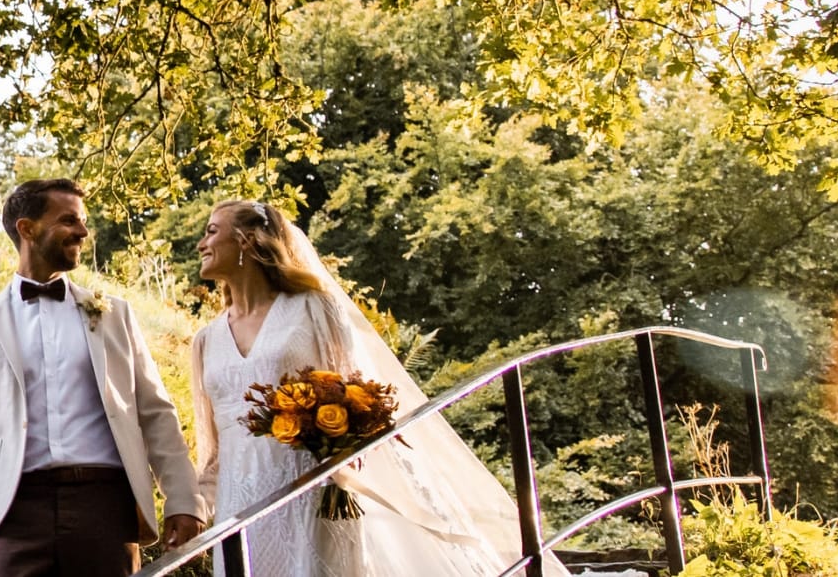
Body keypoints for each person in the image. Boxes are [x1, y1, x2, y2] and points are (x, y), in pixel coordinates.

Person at [187, 199, 563, 575]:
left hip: (312, 494)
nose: (202, 244)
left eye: (212, 231)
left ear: (249, 240)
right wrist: (195, 509)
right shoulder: (207, 340)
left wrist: (339, 448)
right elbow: (215, 452)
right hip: (240, 507)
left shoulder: (313, 309)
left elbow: (356, 394)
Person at [0, 179, 207, 577]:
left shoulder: (114, 315)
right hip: (11, 512)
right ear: (27, 229)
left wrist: (183, 499)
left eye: (83, 221)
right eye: (69, 220)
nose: (82, 231)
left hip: (104, 508)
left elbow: (155, 413)